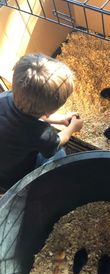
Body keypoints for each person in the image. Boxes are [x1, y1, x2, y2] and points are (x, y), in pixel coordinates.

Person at [0, 53, 83, 191]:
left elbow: (28, 113)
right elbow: (58, 141)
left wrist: (61, 119)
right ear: (49, 111)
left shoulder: (5, 96)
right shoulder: (40, 133)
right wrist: (72, 128)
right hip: (13, 179)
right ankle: (37, 186)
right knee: (59, 154)